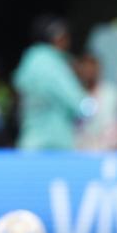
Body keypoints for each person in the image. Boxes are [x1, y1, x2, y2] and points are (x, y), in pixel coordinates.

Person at [12, 16, 94, 150]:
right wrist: (92, 107)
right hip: (53, 145)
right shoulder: (51, 63)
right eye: (65, 36)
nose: (68, 41)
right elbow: (78, 103)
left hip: (29, 142)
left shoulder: (30, 61)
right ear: (57, 38)